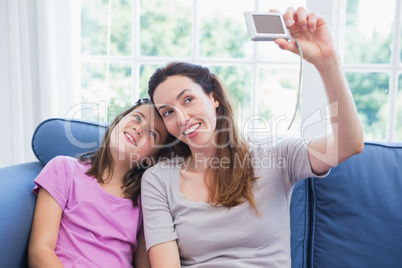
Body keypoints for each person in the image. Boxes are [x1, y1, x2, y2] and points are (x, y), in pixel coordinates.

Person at [140, 6, 364, 268]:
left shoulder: (275, 156)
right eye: (168, 112)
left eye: (188, 100)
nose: (181, 119)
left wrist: (327, 62)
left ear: (213, 98)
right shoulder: (158, 180)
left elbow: (348, 145)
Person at [28, 98, 174, 268]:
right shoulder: (64, 169)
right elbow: (40, 251)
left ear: (152, 159)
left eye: (152, 133)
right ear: (118, 121)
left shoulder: (146, 201)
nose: (139, 128)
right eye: (137, 117)